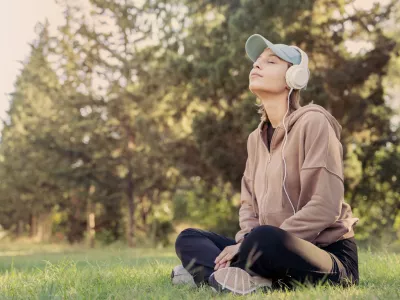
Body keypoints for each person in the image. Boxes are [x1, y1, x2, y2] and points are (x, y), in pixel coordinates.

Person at [171, 33, 360, 295]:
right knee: (189, 238)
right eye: (257, 61)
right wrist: (244, 242)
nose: (257, 65)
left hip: (325, 255)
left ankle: (212, 275)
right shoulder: (255, 139)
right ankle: (240, 278)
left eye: (270, 62)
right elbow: (248, 207)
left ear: (294, 77)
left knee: (264, 238)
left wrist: (247, 245)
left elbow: (326, 206)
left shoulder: (314, 122)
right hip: (264, 248)